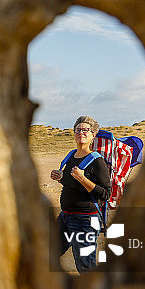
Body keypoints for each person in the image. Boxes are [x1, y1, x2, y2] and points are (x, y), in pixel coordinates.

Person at [50, 116, 111, 272]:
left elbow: (105, 194)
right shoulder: (70, 156)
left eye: (86, 130)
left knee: (85, 267)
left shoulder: (97, 161)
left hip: (84, 221)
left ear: (93, 135)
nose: (81, 133)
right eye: (78, 129)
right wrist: (61, 178)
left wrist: (83, 179)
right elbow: (72, 184)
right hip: (65, 216)